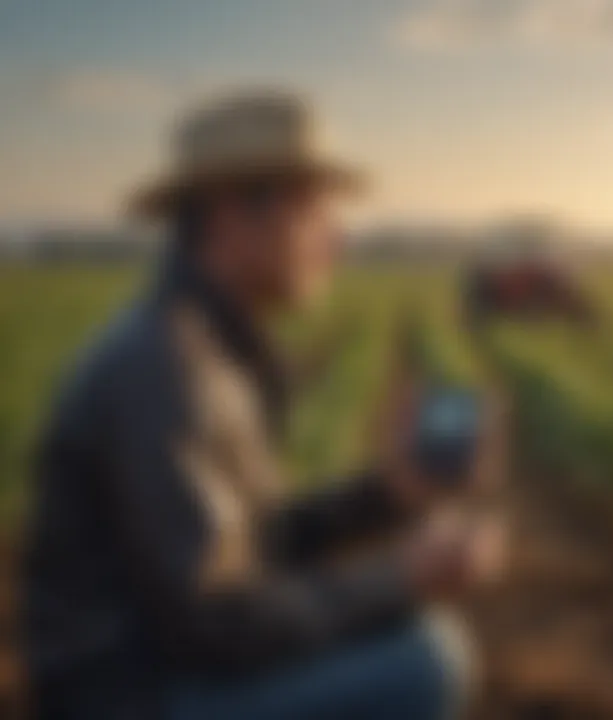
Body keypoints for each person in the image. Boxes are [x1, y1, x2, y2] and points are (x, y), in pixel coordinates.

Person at [24, 91, 495, 719]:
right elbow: (216, 624)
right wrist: (401, 578)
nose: (338, 238)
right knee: (424, 663)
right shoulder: (158, 368)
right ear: (231, 218)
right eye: (318, 208)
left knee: (408, 642)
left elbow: (252, 548)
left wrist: (388, 495)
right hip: (130, 696)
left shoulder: (205, 346)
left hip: (161, 666)